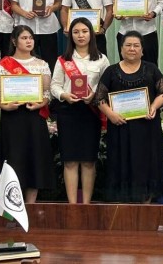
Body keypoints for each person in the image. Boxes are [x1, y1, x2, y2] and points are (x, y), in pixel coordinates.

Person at [96, 31, 163, 202]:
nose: (132, 49)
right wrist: (110, 114)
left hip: (147, 128)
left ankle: (146, 202)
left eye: (136, 46)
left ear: (142, 50)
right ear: (121, 49)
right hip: (120, 128)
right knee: (121, 162)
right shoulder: (111, 71)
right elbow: (99, 98)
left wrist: (153, 106)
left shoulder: (151, 69)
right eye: (128, 45)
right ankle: (123, 204)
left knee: (147, 163)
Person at [0, 25, 55, 204]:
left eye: (31, 38)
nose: (29, 41)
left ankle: (31, 206)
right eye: (24, 38)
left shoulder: (41, 65)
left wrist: (41, 103)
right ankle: (13, 205)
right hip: (12, 119)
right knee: (13, 160)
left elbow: (47, 93)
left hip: (34, 118)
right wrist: (4, 106)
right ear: (14, 41)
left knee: (34, 160)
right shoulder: (3, 65)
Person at [50, 17, 109, 204]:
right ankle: (73, 206)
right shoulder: (63, 60)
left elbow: (106, 86)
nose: (80, 35)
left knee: (88, 160)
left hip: (90, 112)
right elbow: (54, 85)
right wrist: (64, 95)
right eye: (76, 32)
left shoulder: (101, 59)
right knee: (70, 161)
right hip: (68, 112)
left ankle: (86, 205)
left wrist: (94, 95)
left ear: (91, 34)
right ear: (70, 35)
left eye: (84, 31)